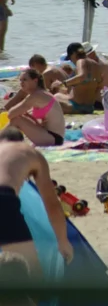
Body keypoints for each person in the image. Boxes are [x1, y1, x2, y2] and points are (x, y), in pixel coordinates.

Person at [0, 128, 73, 276]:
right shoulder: (29, 152)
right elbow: (52, 206)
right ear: (21, 141)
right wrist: (63, 241)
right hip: (3, 200)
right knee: (32, 272)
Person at [1, 70, 67, 146]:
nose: (21, 83)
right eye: (20, 80)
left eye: (25, 80)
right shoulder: (40, 93)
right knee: (19, 117)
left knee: (17, 119)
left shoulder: (36, 96)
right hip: (50, 135)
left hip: (54, 138)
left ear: (35, 80)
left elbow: (10, 114)